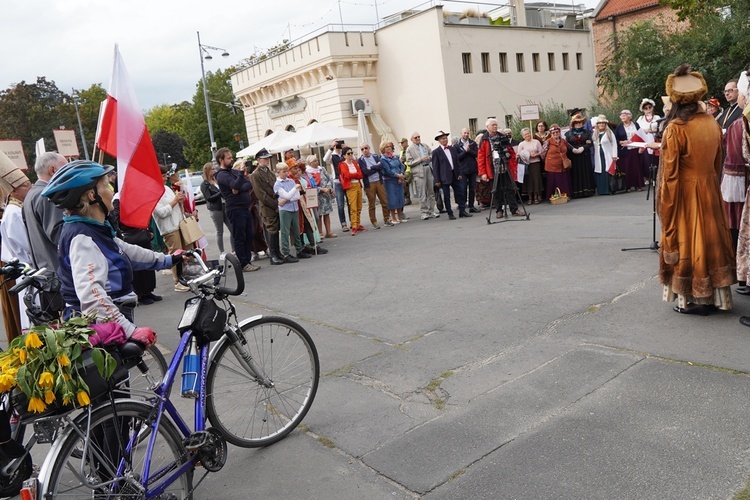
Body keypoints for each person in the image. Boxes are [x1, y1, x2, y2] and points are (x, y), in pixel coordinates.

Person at [40, 160, 168, 344]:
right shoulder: (83, 237)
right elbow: (92, 296)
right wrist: (130, 330)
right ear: (93, 195)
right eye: (106, 185)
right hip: (102, 325)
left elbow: (126, 251)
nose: (112, 191)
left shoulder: (92, 228)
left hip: (109, 320)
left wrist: (169, 260)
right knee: (117, 373)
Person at [658, 64, 735, 316]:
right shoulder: (711, 122)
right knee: (711, 239)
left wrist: (666, 204)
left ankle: (693, 298)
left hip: (686, 192)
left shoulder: (676, 128)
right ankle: (718, 297)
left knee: (690, 242)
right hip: (710, 187)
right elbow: (718, 161)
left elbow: (670, 174)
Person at [22, 151, 67, 315]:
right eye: (65, 167)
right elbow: (60, 236)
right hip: (57, 276)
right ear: (53, 170)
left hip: (45, 275)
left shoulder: (31, 195)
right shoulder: (47, 196)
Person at [0, 155, 33, 337]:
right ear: (13, 191)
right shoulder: (13, 213)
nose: (31, 188)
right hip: (28, 270)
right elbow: (28, 245)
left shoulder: (19, 208)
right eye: (26, 185)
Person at [214, 148, 259, 272]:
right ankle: (243, 263)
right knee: (240, 236)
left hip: (245, 207)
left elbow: (248, 184)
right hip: (235, 209)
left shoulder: (233, 172)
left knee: (249, 235)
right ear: (221, 160)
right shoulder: (221, 175)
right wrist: (239, 178)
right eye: (228, 158)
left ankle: (247, 259)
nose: (231, 159)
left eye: (231, 157)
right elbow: (234, 185)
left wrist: (239, 187)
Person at [152, 165, 193, 292]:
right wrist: (175, 201)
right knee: (176, 254)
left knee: (186, 253)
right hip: (169, 228)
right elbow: (161, 212)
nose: (165, 178)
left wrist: (181, 200)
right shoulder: (153, 192)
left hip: (179, 224)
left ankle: (186, 277)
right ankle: (177, 281)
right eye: (162, 176)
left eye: (165, 175)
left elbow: (175, 206)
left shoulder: (166, 188)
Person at [478, 118, 520, 217]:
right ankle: (498, 210)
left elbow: (510, 151)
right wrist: (482, 172)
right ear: (487, 127)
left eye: (496, 125)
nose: (495, 126)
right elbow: (481, 157)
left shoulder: (502, 136)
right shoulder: (484, 139)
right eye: (493, 125)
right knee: (496, 190)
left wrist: (513, 164)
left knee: (510, 189)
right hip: (492, 169)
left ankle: (514, 210)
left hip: (505, 167)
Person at [250, 148, 284, 265]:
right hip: (267, 206)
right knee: (271, 229)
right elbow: (261, 194)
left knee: (276, 229)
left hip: (275, 203)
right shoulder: (256, 174)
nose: (267, 160)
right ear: (259, 160)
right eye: (265, 159)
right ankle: (273, 255)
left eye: (268, 158)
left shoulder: (268, 172)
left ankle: (277, 253)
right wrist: (275, 204)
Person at [273, 163, 308, 262]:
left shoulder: (291, 181)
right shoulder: (277, 184)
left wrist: (287, 198)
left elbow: (296, 196)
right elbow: (287, 195)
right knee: (285, 231)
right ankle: (286, 253)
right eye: (283, 171)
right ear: (278, 172)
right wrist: (294, 189)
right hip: (285, 210)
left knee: (296, 230)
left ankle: (299, 249)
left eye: (286, 171)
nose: (286, 173)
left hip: (293, 207)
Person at [200, 162, 232, 255]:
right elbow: (208, 198)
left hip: (224, 206)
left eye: (215, 169)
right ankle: (222, 252)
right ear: (208, 171)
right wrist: (220, 193)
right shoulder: (204, 184)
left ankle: (234, 250)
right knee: (220, 231)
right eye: (212, 169)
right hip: (215, 209)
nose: (215, 170)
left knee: (232, 228)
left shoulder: (217, 180)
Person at [431, 130, 465, 219]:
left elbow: (457, 162)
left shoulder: (452, 149)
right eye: (443, 139)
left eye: (446, 138)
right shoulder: (436, 152)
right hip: (444, 176)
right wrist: (437, 180)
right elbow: (435, 167)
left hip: (455, 174)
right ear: (439, 140)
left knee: (460, 193)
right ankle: (450, 212)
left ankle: (462, 210)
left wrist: (459, 173)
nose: (445, 140)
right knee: (447, 195)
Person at [405, 132, 438, 220]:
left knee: (431, 191)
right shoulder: (409, 149)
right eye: (415, 137)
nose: (418, 139)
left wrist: (429, 158)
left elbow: (431, 153)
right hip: (419, 171)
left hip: (428, 168)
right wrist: (420, 159)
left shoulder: (424, 145)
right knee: (422, 193)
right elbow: (409, 162)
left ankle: (432, 210)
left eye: (419, 137)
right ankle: (424, 212)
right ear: (411, 139)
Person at [358, 143, 390, 229]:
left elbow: (381, 166)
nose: (364, 150)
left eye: (366, 148)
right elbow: (365, 172)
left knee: (384, 201)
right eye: (362, 149)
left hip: (379, 181)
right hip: (369, 183)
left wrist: (371, 168)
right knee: (372, 203)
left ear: (369, 148)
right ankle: (374, 221)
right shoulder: (360, 160)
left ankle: (386, 219)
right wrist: (376, 167)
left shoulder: (375, 156)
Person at [565, 114, 596, 199]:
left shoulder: (587, 132)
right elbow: (567, 144)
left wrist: (583, 147)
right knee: (576, 173)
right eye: (577, 123)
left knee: (585, 171)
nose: (579, 124)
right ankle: (577, 192)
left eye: (580, 123)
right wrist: (573, 149)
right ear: (573, 124)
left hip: (585, 155)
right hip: (574, 156)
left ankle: (588, 191)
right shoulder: (568, 134)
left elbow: (590, 143)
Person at [614, 110, 645, 192]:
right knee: (627, 167)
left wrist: (642, 147)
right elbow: (615, 140)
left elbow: (641, 135)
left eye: (625, 115)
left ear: (629, 116)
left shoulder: (635, 125)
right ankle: (628, 186)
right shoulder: (619, 127)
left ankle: (638, 185)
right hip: (625, 150)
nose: (623, 117)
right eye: (621, 115)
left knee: (637, 167)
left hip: (635, 148)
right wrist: (621, 142)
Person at [306, 155, 337, 238]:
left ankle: (328, 232)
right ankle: (320, 233)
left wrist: (328, 188)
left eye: (317, 160)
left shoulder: (322, 169)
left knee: (327, 214)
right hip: (317, 196)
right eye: (314, 161)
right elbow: (311, 185)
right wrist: (321, 190)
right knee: (319, 215)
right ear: (310, 163)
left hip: (326, 195)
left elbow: (329, 179)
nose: (317, 162)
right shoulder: (308, 172)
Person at [323, 140, 349, 232]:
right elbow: (325, 159)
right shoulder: (332, 155)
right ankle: (343, 223)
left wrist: (346, 148)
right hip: (338, 181)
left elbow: (352, 159)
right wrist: (331, 148)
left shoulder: (345, 154)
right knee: (340, 204)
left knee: (350, 203)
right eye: (336, 144)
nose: (338, 146)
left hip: (347, 180)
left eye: (339, 144)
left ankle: (353, 222)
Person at [338, 147, 365, 235]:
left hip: (357, 185)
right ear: (344, 155)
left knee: (359, 206)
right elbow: (346, 175)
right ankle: (354, 225)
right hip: (350, 186)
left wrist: (355, 175)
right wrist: (356, 175)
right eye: (348, 154)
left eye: (351, 153)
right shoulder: (343, 164)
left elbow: (361, 174)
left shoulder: (354, 163)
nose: (350, 155)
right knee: (353, 207)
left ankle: (357, 223)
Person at [379, 140, 407, 224]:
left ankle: (400, 217)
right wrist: (397, 175)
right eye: (387, 146)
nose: (389, 148)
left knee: (399, 198)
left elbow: (401, 166)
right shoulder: (383, 159)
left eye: (390, 146)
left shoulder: (395, 157)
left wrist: (401, 174)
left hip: (399, 179)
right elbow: (387, 170)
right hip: (389, 181)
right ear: (383, 148)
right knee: (392, 199)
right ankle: (393, 218)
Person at [541, 125, 572, 200]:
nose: (555, 134)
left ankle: (565, 195)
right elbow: (542, 153)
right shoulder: (547, 142)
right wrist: (547, 160)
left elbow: (570, 147)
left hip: (563, 164)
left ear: (559, 132)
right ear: (551, 134)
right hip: (552, 165)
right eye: (553, 133)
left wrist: (578, 150)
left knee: (563, 181)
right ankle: (554, 197)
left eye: (557, 132)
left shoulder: (563, 141)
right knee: (554, 181)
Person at [592, 115, 618, 196]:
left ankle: (609, 189)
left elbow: (614, 144)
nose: (601, 125)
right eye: (599, 123)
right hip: (598, 156)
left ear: (605, 124)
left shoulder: (609, 133)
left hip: (607, 155)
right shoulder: (595, 134)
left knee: (608, 172)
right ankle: (601, 190)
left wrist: (614, 155)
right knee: (600, 172)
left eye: (603, 123)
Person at [456, 128, 480, 212]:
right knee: (463, 188)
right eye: (464, 133)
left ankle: (471, 205)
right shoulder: (457, 145)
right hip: (462, 169)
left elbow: (476, 154)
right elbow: (457, 157)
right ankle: (462, 205)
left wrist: (469, 151)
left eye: (467, 133)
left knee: (472, 188)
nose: (466, 134)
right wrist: (465, 151)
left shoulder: (472, 143)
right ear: (461, 133)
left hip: (472, 169)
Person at [517, 128, 543, 204]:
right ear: (523, 136)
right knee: (528, 181)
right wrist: (526, 155)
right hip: (526, 164)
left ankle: (536, 196)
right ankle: (530, 197)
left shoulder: (536, 142)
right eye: (525, 134)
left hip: (535, 163)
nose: (527, 135)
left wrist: (536, 154)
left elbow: (541, 151)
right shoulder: (521, 144)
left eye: (528, 133)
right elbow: (519, 154)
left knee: (536, 179)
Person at [399, 138, 412, 206]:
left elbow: (404, 158)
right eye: (401, 143)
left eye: (403, 143)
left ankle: (407, 198)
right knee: (401, 179)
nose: (401, 144)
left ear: (406, 142)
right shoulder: (401, 151)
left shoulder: (409, 149)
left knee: (404, 182)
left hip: (409, 169)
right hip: (403, 170)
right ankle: (405, 197)